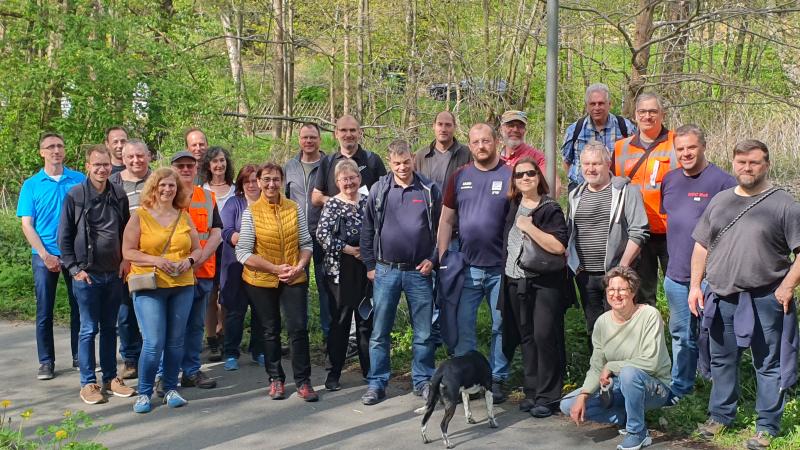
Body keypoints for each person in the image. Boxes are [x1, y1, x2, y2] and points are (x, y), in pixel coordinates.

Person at [689, 140, 800, 450]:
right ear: (734, 164)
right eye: (741, 162)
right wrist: (696, 286)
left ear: (766, 165)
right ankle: (720, 417)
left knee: (768, 364)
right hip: (722, 295)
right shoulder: (720, 201)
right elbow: (701, 246)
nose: (747, 168)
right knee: (723, 360)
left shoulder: (784, 204)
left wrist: (787, 286)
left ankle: (766, 425)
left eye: (753, 163)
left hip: (766, 297)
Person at [360, 141, 440, 405]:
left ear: (413, 159)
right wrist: (370, 265)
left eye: (406, 162)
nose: (403, 167)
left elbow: (444, 229)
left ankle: (423, 381)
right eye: (397, 163)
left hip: (420, 272)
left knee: (424, 332)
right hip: (386, 271)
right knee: (380, 331)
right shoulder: (379, 189)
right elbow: (368, 228)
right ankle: (377, 383)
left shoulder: (428, 189)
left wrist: (433, 259)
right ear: (390, 162)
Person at [437, 123, 511, 403]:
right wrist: (443, 258)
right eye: (476, 141)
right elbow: (446, 219)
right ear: (469, 145)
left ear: (496, 142)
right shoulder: (459, 176)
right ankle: (468, 381)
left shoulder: (510, 174)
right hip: (466, 268)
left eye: (486, 141)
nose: (481, 146)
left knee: (500, 326)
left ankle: (497, 378)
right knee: (463, 325)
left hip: (500, 269)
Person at [659, 125, 735, 398]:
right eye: (680, 149)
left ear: (703, 146)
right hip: (676, 276)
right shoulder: (669, 180)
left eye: (691, 147)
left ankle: (719, 393)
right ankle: (682, 389)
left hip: (711, 278)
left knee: (714, 337)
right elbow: (672, 222)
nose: (686, 153)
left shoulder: (724, 183)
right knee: (682, 336)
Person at [560, 266, 672, 450]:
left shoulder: (649, 315)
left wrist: (612, 366)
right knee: (568, 404)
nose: (616, 294)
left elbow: (650, 363)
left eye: (622, 289)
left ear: (633, 291)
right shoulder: (602, 322)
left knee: (629, 373)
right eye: (611, 289)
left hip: (654, 387)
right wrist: (584, 394)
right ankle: (627, 416)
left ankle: (637, 432)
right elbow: (597, 366)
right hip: (618, 386)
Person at [58, 145, 135, 404]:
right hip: (87, 275)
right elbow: (64, 238)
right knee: (88, 329)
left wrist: (126, 260)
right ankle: (88, 383)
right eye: (97, 164)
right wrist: (75, 270)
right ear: (87, 166)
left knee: (110, 328)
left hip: (113, 273)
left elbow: (126, 231)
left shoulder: (119, 194)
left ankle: (111, 379)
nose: (102, 169)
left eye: (106, 165)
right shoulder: (75, 195)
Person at [122, 168, 202, 413]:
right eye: (163, 185)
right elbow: (128, 252)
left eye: (172, 186)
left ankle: (170, 388)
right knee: (154, 342)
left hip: (182, 284)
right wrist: (156, 260)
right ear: (153, 188)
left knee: (176, 341)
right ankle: (144, 392)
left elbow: (198, 250)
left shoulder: (183, 216)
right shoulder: (140, 216)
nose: (167, 190)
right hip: (150, 285)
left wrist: (188, 261)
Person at [236, 163, 317, 402]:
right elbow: (243, 252)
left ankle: (303, 381)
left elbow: (307, 243)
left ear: (282, 181)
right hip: (261, 279)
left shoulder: (293, 208)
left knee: (298, 328)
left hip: (294, 276)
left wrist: (299, 267)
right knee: (270, 330)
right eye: (266, 180)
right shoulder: (252, 212)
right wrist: (273, 268)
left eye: (276, 179)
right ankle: (276, 379)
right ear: (259, 182)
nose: (271, 184)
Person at [499, 157, 568, 418]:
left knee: (544, 336)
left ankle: (549, 397)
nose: (525, 178)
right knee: (526, 337)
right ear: (514, 182)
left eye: (530, 173)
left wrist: (529, 227)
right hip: (516, 282)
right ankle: (531, 390)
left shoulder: (549, 208)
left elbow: (559, 247)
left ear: (539, 177)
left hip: (545, 283)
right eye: (520, 175)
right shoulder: (512, 205)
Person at [567, 142, 649, 347]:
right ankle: (597, 373)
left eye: (596, 163)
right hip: (585, 274)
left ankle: (621, 375)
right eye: (586, 164)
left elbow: (639, 231)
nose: (591, 168)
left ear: (608, 164)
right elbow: (570, 233)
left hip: (616, 274)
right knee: (594, 327)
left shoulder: (626, 191)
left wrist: (621, 269)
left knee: (621, 327)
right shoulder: (575, 195)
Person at [17, 132, 84, 380]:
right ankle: (46, 361)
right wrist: (45, 255)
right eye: (50, 147)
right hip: (43, 255)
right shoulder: (31, 185)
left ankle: (80, 356)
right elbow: (27, 224)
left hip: (74, 256)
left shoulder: (79, 180)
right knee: (44, 310)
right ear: (42, 152)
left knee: (80, 306)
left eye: (60, 146)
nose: (56, 150)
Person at [612, 92, 677, 306]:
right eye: (642, 112)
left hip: (672, 231)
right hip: (638, 232)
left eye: (653, 111)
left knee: (677, 290)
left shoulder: (677, 142)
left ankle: (681, 336)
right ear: (635, 115)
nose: (647, 116)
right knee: (643, 292)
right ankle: (649, 334)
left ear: (662, 114)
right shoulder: (621, 147)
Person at [165, 151, 222, 391]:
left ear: (197, 167)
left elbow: (216, 233)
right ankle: (166, 374)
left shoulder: (208, 198)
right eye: (181, 166)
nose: (186, 170)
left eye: (190, 165)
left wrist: (197, 260)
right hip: (173, 274)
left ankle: (191, 371)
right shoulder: (165, 196)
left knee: (196, 326)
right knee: (171, 327)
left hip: (201, 272)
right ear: (173, 168)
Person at [316, 160, 372, 393]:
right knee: (340, 322)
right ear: (337, 182)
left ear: (359, 179)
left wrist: (367, 252)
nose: (349, 183)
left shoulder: (369, 202)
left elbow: (380, 230)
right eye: (344, 179)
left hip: (365, 269)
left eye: (353, 178)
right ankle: (334, 373)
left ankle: (370, 371)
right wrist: (347, 249)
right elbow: (322, 235)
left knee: (366, 320)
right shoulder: (332, 205)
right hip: (340, 269)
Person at [109, 138, 152, 379]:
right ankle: (131, 359)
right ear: (123, 159)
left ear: (148, 156)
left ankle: (152, 358)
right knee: (125, 313)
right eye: (131, 157)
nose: (136, 160)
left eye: (140, 155)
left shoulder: (158, 181)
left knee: (151, 312)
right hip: (124, 257)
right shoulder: (113, 183)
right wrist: (123, 257)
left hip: (153, 257)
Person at [284, 123, 329, 341]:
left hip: (323, 233)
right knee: (296, 284)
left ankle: (329, 337)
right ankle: (299, 337)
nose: (308, 141)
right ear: (299, 140)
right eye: (304, 137)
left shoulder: (329, 164)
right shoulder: (289, 167)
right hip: (296, 234)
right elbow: (283, 199)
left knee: (325, 286)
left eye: (312, 137)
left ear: (320, 139)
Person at [220, 165, 264, 370]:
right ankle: (230, 353)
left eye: (255, 180)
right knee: (236, 312)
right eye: (247, 181)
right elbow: (227, 231)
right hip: (236, 266)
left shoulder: (269, 203)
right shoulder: (233, 203)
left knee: (260, 311)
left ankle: (259, 351)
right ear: (241, 184)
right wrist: (250, 240)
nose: (252, 185)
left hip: (262, 267)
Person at [561, 83, 636, 192]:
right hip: (580, 190)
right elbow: (566, 161)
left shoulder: (626, 127)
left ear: (609, 104)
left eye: (601, 103)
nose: (597, 108)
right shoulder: (575, 130)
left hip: (616, 190)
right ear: (587, 106)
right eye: (593, 104)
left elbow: (636, 157)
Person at [201, 146, 236, 362]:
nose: (219, 165)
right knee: (210, 294)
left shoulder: (235, 189)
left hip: (230, 248)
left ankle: (225, 334)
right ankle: (211, 337)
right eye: (214, 161)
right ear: (208, 165)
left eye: (222, 160)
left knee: (227, 295)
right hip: (209, 247)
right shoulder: (201, 190)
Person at [311, 115, 387, 207]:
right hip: (336, 219)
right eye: (343, 130)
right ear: (336, 134)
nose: (348, 134)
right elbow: (315, 196)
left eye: (352, 130)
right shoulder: (327, 162)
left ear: (360, 133)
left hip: (367, 220)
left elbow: (385, 193)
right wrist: (335, 202)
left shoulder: (373, 160)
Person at [413, 111, 471, 192]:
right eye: (440, 124)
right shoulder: (421, 156)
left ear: (455, 127)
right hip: (428, 204)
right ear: (433, 126)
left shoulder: (467, 154)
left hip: (457, 204)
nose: (443, 129)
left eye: (448, 125)